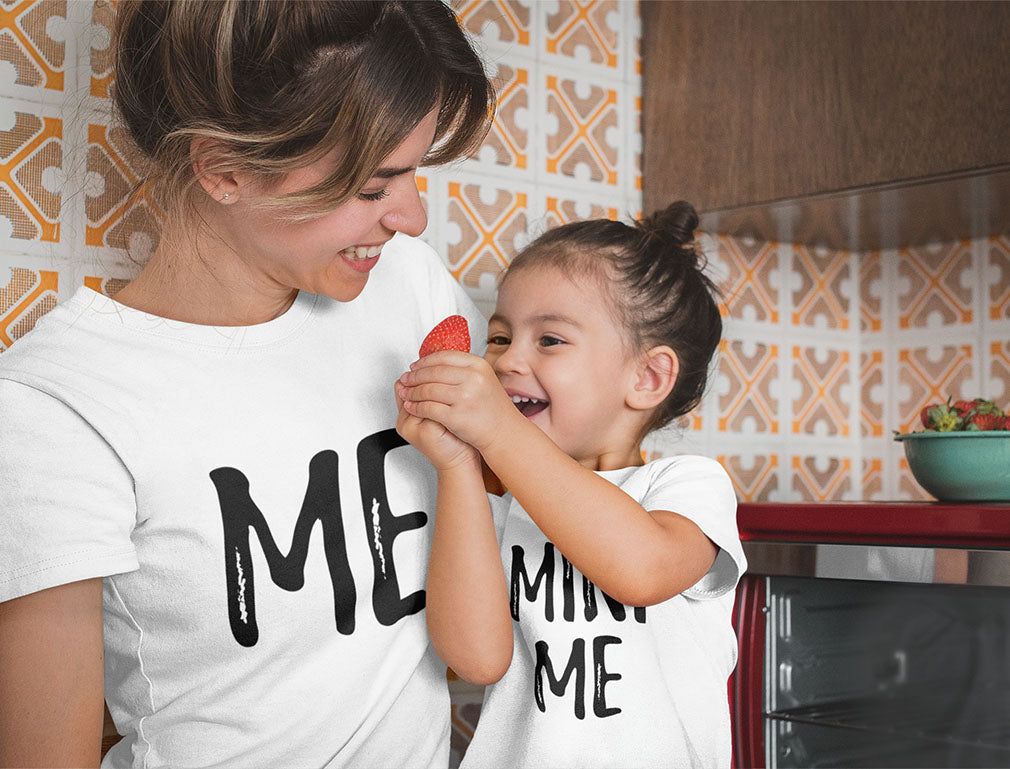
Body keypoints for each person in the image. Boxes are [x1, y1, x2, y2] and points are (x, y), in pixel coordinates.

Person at [0, 2, 494, 767]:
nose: (413, 217)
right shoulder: (59, 404)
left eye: (413, 175)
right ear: (223, 169)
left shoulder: (411, 291)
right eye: (373, 188)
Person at [395, 201, 748, 768]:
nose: (508, 361)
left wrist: (499, 433)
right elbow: (476, 659)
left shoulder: (687, 485)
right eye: (501, 337)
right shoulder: (503, 495)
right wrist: (458, 467)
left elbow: (642, 570)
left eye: (550, 340)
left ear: (647, 377)